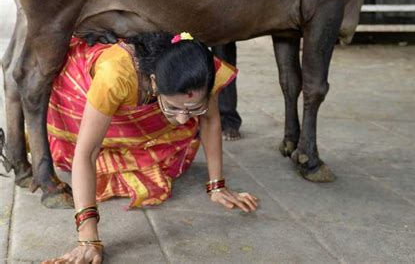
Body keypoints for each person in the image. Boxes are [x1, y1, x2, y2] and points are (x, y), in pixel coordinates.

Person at [43, 31, 258, 263]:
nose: (185, 121)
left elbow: (210, 119)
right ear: (154, 82)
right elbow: (86, 153)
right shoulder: (115, 76)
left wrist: (217, 186)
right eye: (174, 107)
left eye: (193, 108)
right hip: (82, 95)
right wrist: (88, 240)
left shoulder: (201, 71)